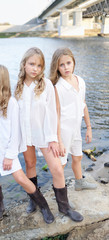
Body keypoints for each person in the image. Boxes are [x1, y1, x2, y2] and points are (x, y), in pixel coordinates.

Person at [0, 64, 55, 224]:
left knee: (20, 177)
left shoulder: (11, 103)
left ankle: (44, 206)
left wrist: (10, 155)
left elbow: (16, 133)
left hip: (7, 150)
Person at [15, 47, 83, 222]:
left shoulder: (46, 85)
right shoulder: (18, 87)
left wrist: (54, 139)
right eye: (31, 64)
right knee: (30, 165)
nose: (35, 68)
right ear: (24, 64)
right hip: (25, 134)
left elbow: (53, 113)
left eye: (39, 65)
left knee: (57, 169)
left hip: (44, 135)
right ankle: (35, 201)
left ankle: (64, 207)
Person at [49, 47, 97, 191]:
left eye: (68, 63)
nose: (66, 67)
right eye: (61, 65)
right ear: (57, 67)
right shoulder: (58, 87)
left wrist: (88, 127)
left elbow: (83, 105)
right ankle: (59, 190)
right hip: (63, 130)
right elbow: (55, 114)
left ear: (73, 62)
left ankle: (79, 183)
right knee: (61, 164)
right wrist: (59, 140)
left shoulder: (80, 81)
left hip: (76, 128)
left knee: (78, 156)